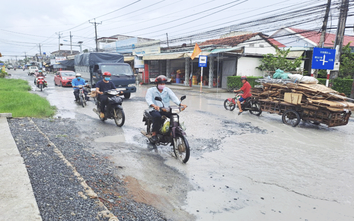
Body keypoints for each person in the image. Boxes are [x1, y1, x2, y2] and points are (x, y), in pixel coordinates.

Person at [145, 75, 187, 143]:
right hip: (154, 109)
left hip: (166, 109)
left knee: (175, 116)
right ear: (157, 84)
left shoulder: (167, 90)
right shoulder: (151, 90)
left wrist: (180, 104)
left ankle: (171, 131)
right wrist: (154, 105)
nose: (162, 85)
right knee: (157, 117)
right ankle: (154, 134)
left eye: (163, 83)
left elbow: (174, 97)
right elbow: (148, 99)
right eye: (161, 83)